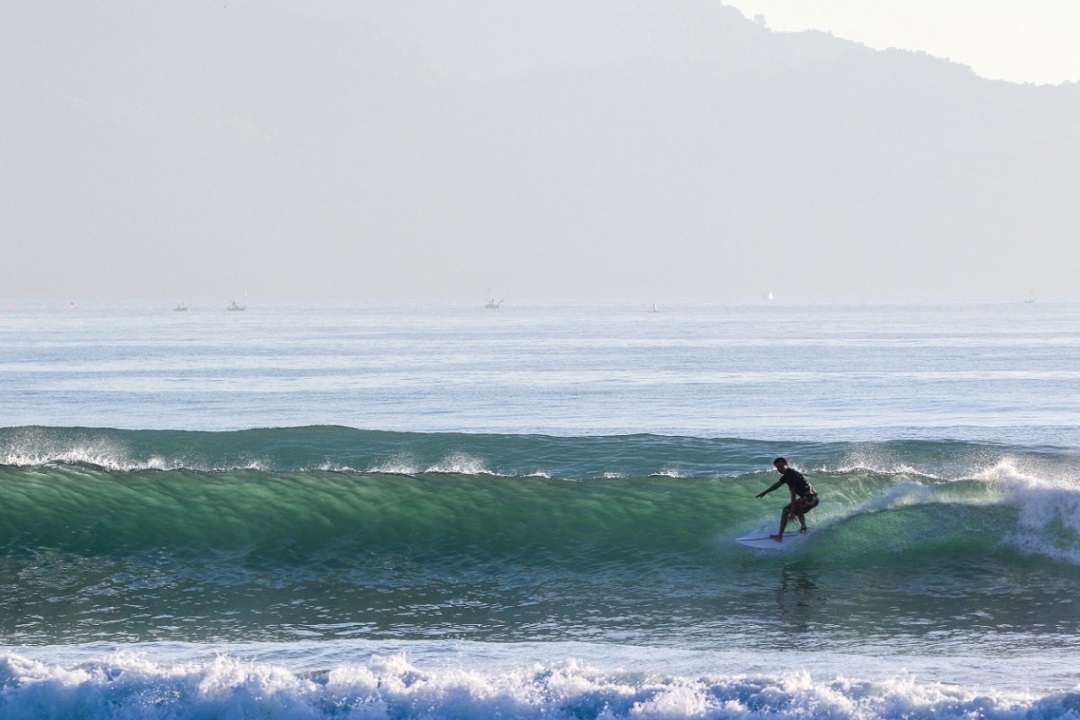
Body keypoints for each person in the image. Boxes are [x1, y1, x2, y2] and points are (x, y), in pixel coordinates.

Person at [756, 457, 818, 542]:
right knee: (799, 507)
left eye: (781, 466)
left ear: (786, 465)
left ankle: (779, 537)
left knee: (786, 510)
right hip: (812, 499)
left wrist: (792, 512)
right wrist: (765, 492)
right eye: (777, 467)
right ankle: (804, 529)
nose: (779, 469)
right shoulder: (788, 474)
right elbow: (777, 484)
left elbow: (793, 495)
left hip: (809, 499)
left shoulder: (790, 476)